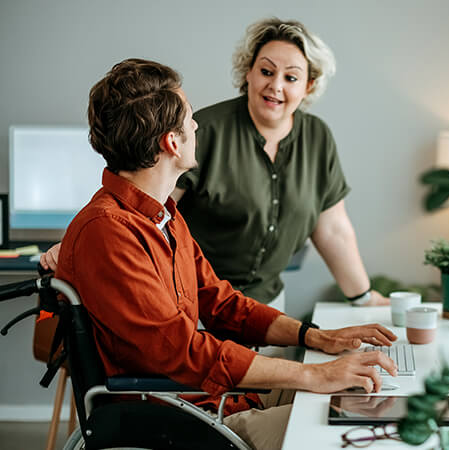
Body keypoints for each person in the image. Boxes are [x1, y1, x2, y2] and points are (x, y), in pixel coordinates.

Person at [55, 58, 397, 450]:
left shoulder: (164, 215)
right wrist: (315, 376)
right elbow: (183, 351)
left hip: (201, 401)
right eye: (189, 119)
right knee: (337, 427)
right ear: (171, 142)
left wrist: (316, 338)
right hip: (167, 417)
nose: (197, 126)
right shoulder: (109, 231)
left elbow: (223, 304)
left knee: (354, 399)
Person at [42, 18, 389, 311]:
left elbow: (333, 230)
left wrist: (362, 297)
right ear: (248, 73)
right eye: (266, 71)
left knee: (273, 391)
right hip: (196, 303)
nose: (275, 85)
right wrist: (77, 241)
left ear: (308, 86)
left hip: (267, 305)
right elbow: (139, 199)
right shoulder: (201, 130)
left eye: (291, 77)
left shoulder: (318, 138)